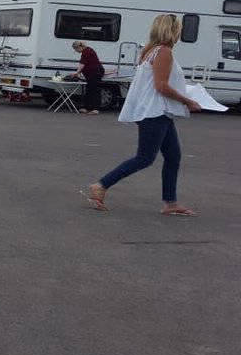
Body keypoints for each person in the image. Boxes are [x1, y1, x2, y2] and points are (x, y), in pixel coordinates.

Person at [86, 14, 200, 216]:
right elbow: (161, 86)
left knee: (173, 156)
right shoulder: (163, 52)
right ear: (173, 30)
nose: (180, 33)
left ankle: (170, 202)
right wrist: (187, 101)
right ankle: (101, 185)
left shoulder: (150, 51)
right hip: (155, 112)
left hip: (158, 111)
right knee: (145, 158)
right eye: (179, 29)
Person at [72, 41, 105, 114]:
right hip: (93, 73)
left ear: (79, 47)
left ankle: (95, 109)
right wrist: (79, 72)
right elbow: (85, 63)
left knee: (94, 90)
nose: (76, 51)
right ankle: (86, 107)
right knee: (89, 90)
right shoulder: (88, 50)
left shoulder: (86, 52)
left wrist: (77, 72)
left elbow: (82, 64)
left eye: (75, 49)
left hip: (95, 73)